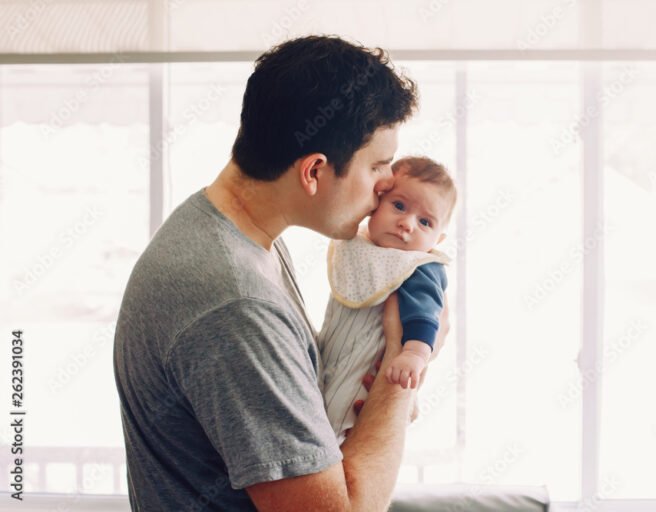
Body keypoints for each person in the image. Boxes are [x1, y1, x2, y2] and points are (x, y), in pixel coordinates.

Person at [113, 35, 448, 511]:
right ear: (313, 171)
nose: (387, 186)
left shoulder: (232, 234)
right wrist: (402, 369)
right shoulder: (234, 303)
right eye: (378, 167)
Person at [318, 156, 457, 443]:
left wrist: (414, 355)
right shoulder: (359, 245)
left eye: (425, 222)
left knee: (335, 426)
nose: (407, 224)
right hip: (334, 357)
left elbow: (426, 315)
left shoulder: (418, 268)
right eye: (399, 206)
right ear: (375, 205)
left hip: (370, 371)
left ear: (438, 239)